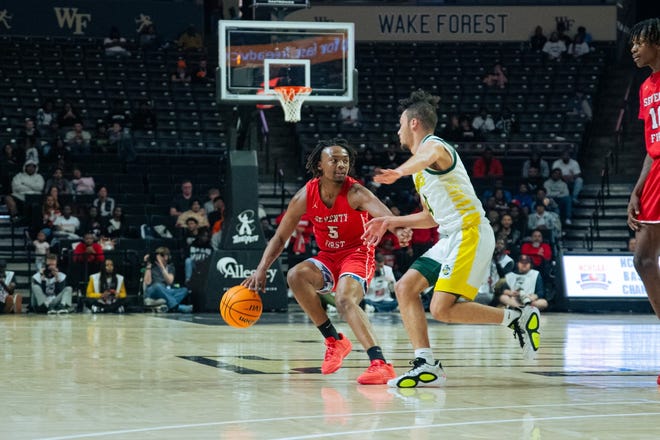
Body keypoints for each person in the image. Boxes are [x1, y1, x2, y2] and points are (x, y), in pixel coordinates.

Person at [362, 89, 541, 388]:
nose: (398, 130)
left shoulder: (435, 148)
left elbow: (427, 156)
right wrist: (390, 220)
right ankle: (426, 363)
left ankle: (517, 318)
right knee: (405, 287)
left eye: (400, 124)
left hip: (470, 232)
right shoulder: (420, 172)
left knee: (441, 309)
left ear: (414, 123)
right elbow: (431, 217)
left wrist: (399, 172)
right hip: (449, 236)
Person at [242, 138, 411, 385]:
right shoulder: (305, 196)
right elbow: (280, 236)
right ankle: (334, 340)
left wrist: (399, 230)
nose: (341, 165)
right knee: (295, 275)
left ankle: (380, 363)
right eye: (334, 160)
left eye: (345, 160)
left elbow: (386, 215)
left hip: (357, 255)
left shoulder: (356, 192)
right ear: (320, 165)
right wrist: (261, 269)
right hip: (328, 258)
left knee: (344, 299)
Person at [627, 19, 660, 387]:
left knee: (645, 258)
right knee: (642, 260)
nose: (634, 49)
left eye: (640, 42)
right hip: (656, 175)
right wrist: (638, 187)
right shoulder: (646, 86)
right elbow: (652, 146)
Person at [143, 247, 192, 313]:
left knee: (184, 290)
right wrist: (148, 265)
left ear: (166, 256)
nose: (158, 258)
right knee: (158, 286)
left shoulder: (170, 267)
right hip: (152, 290)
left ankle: (167, 306)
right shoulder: (152, 266)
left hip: (165, 291)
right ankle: (177, 307)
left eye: (160, 255)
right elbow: (147, 282)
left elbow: (170, 281)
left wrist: (162, 267)